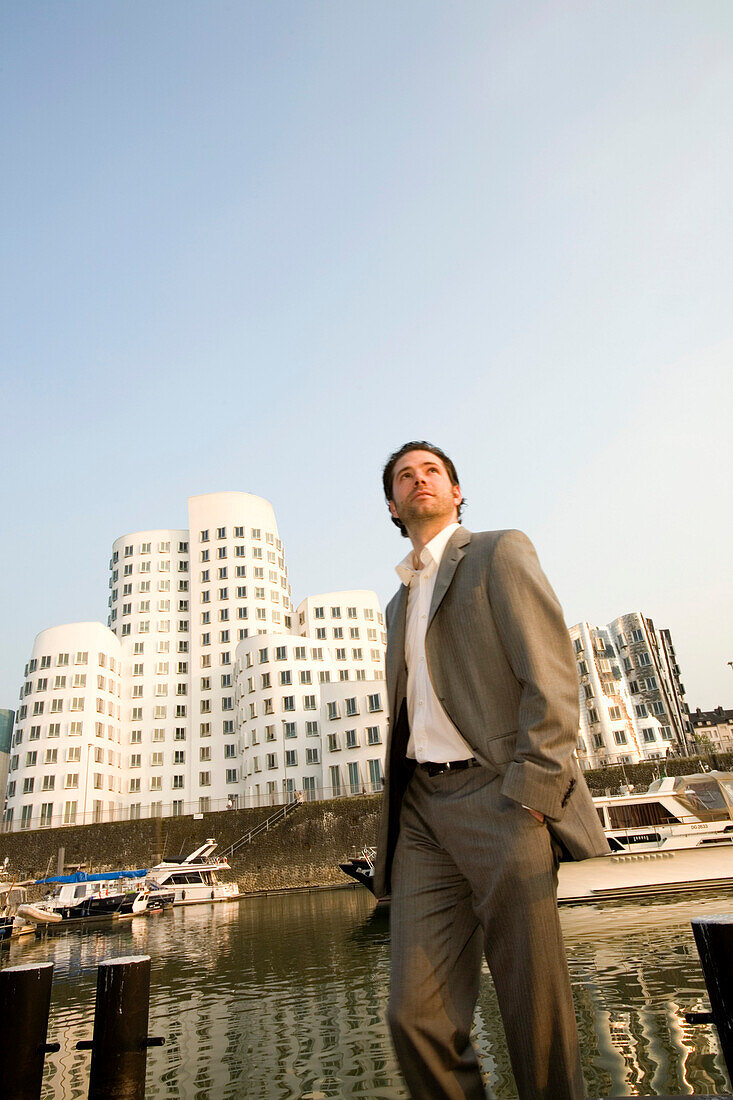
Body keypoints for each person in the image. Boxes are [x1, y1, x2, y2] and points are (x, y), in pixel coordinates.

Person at [375, 441, 609, 1100]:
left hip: (499, 798)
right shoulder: (394, 606)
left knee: (532, 1010)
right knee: (413, 1015)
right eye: (403, 477)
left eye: (431, 472)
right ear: (392, 506)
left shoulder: (497, 553)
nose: (418, 480)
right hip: (421, 814)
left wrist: (532, 791)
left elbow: (553, 678)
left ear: (454, 492)